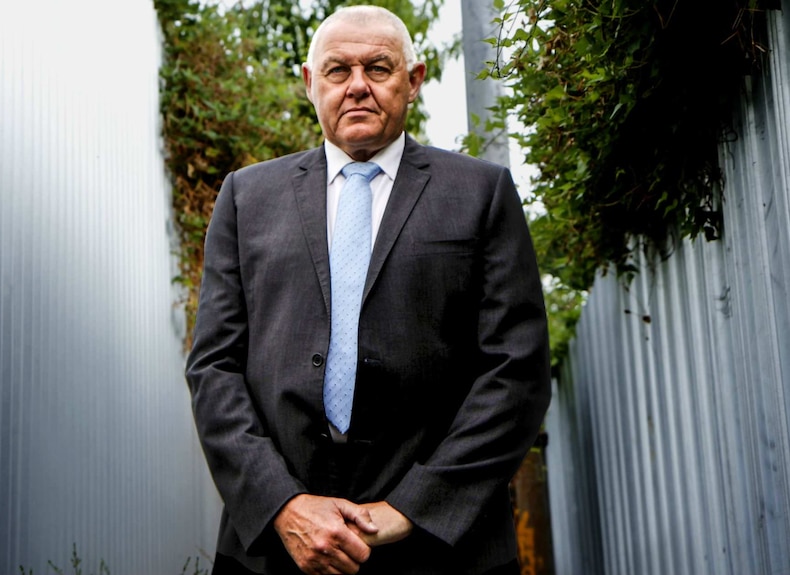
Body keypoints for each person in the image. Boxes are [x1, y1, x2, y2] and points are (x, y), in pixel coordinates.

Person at [185, 5, 551, 575]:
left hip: (445, 548)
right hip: (277, 549)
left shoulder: (481, 193)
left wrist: (414, 508)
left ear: (414, 80)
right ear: (310, 84)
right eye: (337, 71)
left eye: (378, 68)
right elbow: (213, 367)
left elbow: (516, 371)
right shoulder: (245, 198)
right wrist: (283, 505)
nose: (357, 86)